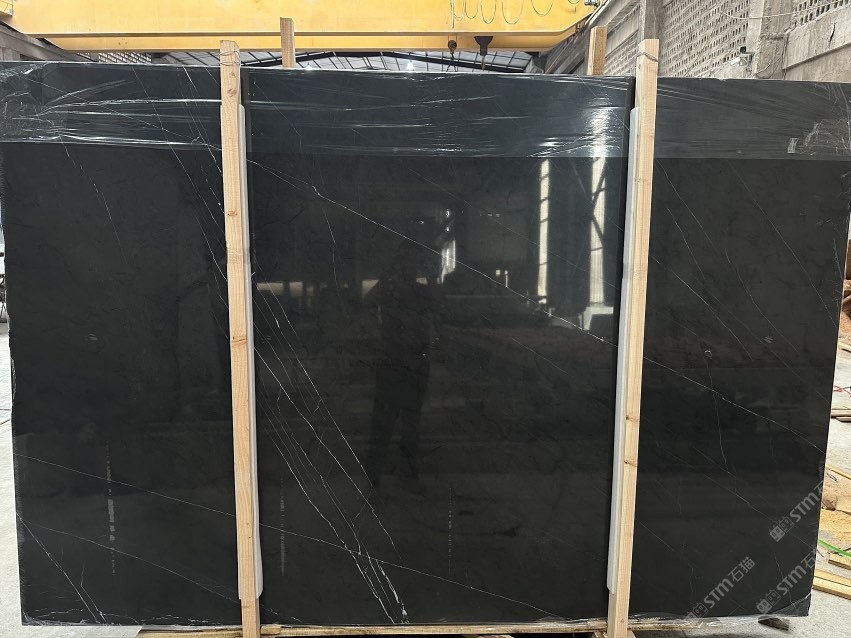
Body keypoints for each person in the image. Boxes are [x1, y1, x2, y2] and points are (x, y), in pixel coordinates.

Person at [364, 243, 435, 492]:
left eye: (416, 262)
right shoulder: (389, 288)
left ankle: (406, 477)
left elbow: (440, 304)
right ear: (400, 264)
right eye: (408, 261)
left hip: (413, 366)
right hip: (393, 365)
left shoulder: (420, 291)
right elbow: (367, 303)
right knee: (384, 424)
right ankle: (373, 479)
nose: (412, 267)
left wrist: (432, 278)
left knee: (410, 426)